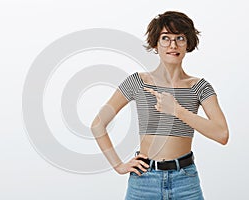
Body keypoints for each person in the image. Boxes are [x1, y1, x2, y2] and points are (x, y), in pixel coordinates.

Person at [90, 11, 229, 200]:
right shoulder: (138, 82)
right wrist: (119, 166)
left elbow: (221, 134)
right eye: (166, 38)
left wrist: (177, 110)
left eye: (180, 38)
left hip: (185, 182)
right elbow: (98, 124)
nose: (173, 45)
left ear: (188, 43)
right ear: (156, 43)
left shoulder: (199, 87)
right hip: (143, 181)